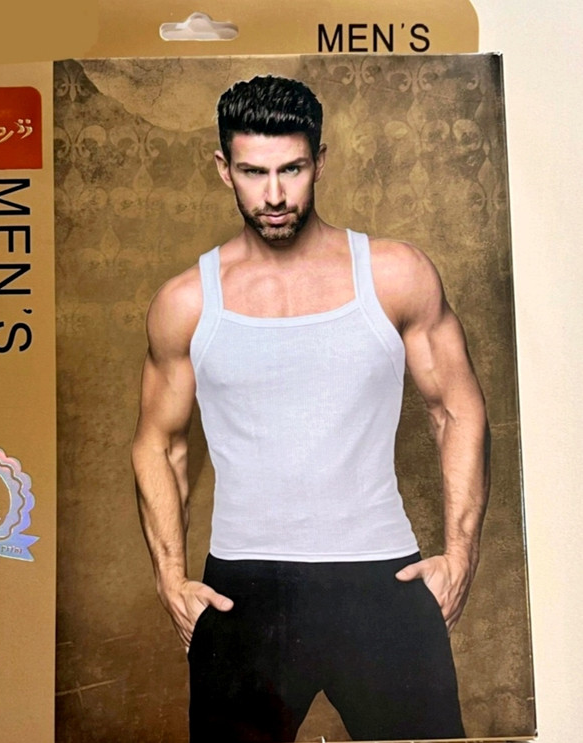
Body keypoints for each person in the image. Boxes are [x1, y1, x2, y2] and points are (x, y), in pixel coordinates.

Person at [131, 74, 489, 743]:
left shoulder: (395, 274)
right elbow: (160, 443)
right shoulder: (187, 302)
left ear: (319, 161)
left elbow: (457, 411)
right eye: (253, 172)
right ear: (224, 168)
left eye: (291, 169)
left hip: (381, 578)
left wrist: (460, 556)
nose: (273, 195)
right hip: (243, 591)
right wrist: (170, 579)